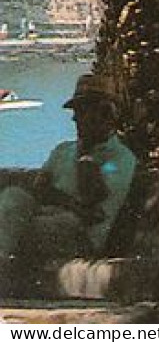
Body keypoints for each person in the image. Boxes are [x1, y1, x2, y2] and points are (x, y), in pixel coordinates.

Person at [0, 73, 138, 286]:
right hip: (44, 218)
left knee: (59, 222)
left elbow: (92, 205)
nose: (75, 119)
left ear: (105, 114)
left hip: (80, 235)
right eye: (75, 112)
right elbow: (39, 189)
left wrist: (86, 157)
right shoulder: (62, 151)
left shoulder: (120, 159)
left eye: (82, 111)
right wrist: (71, 203)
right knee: (14, 197)